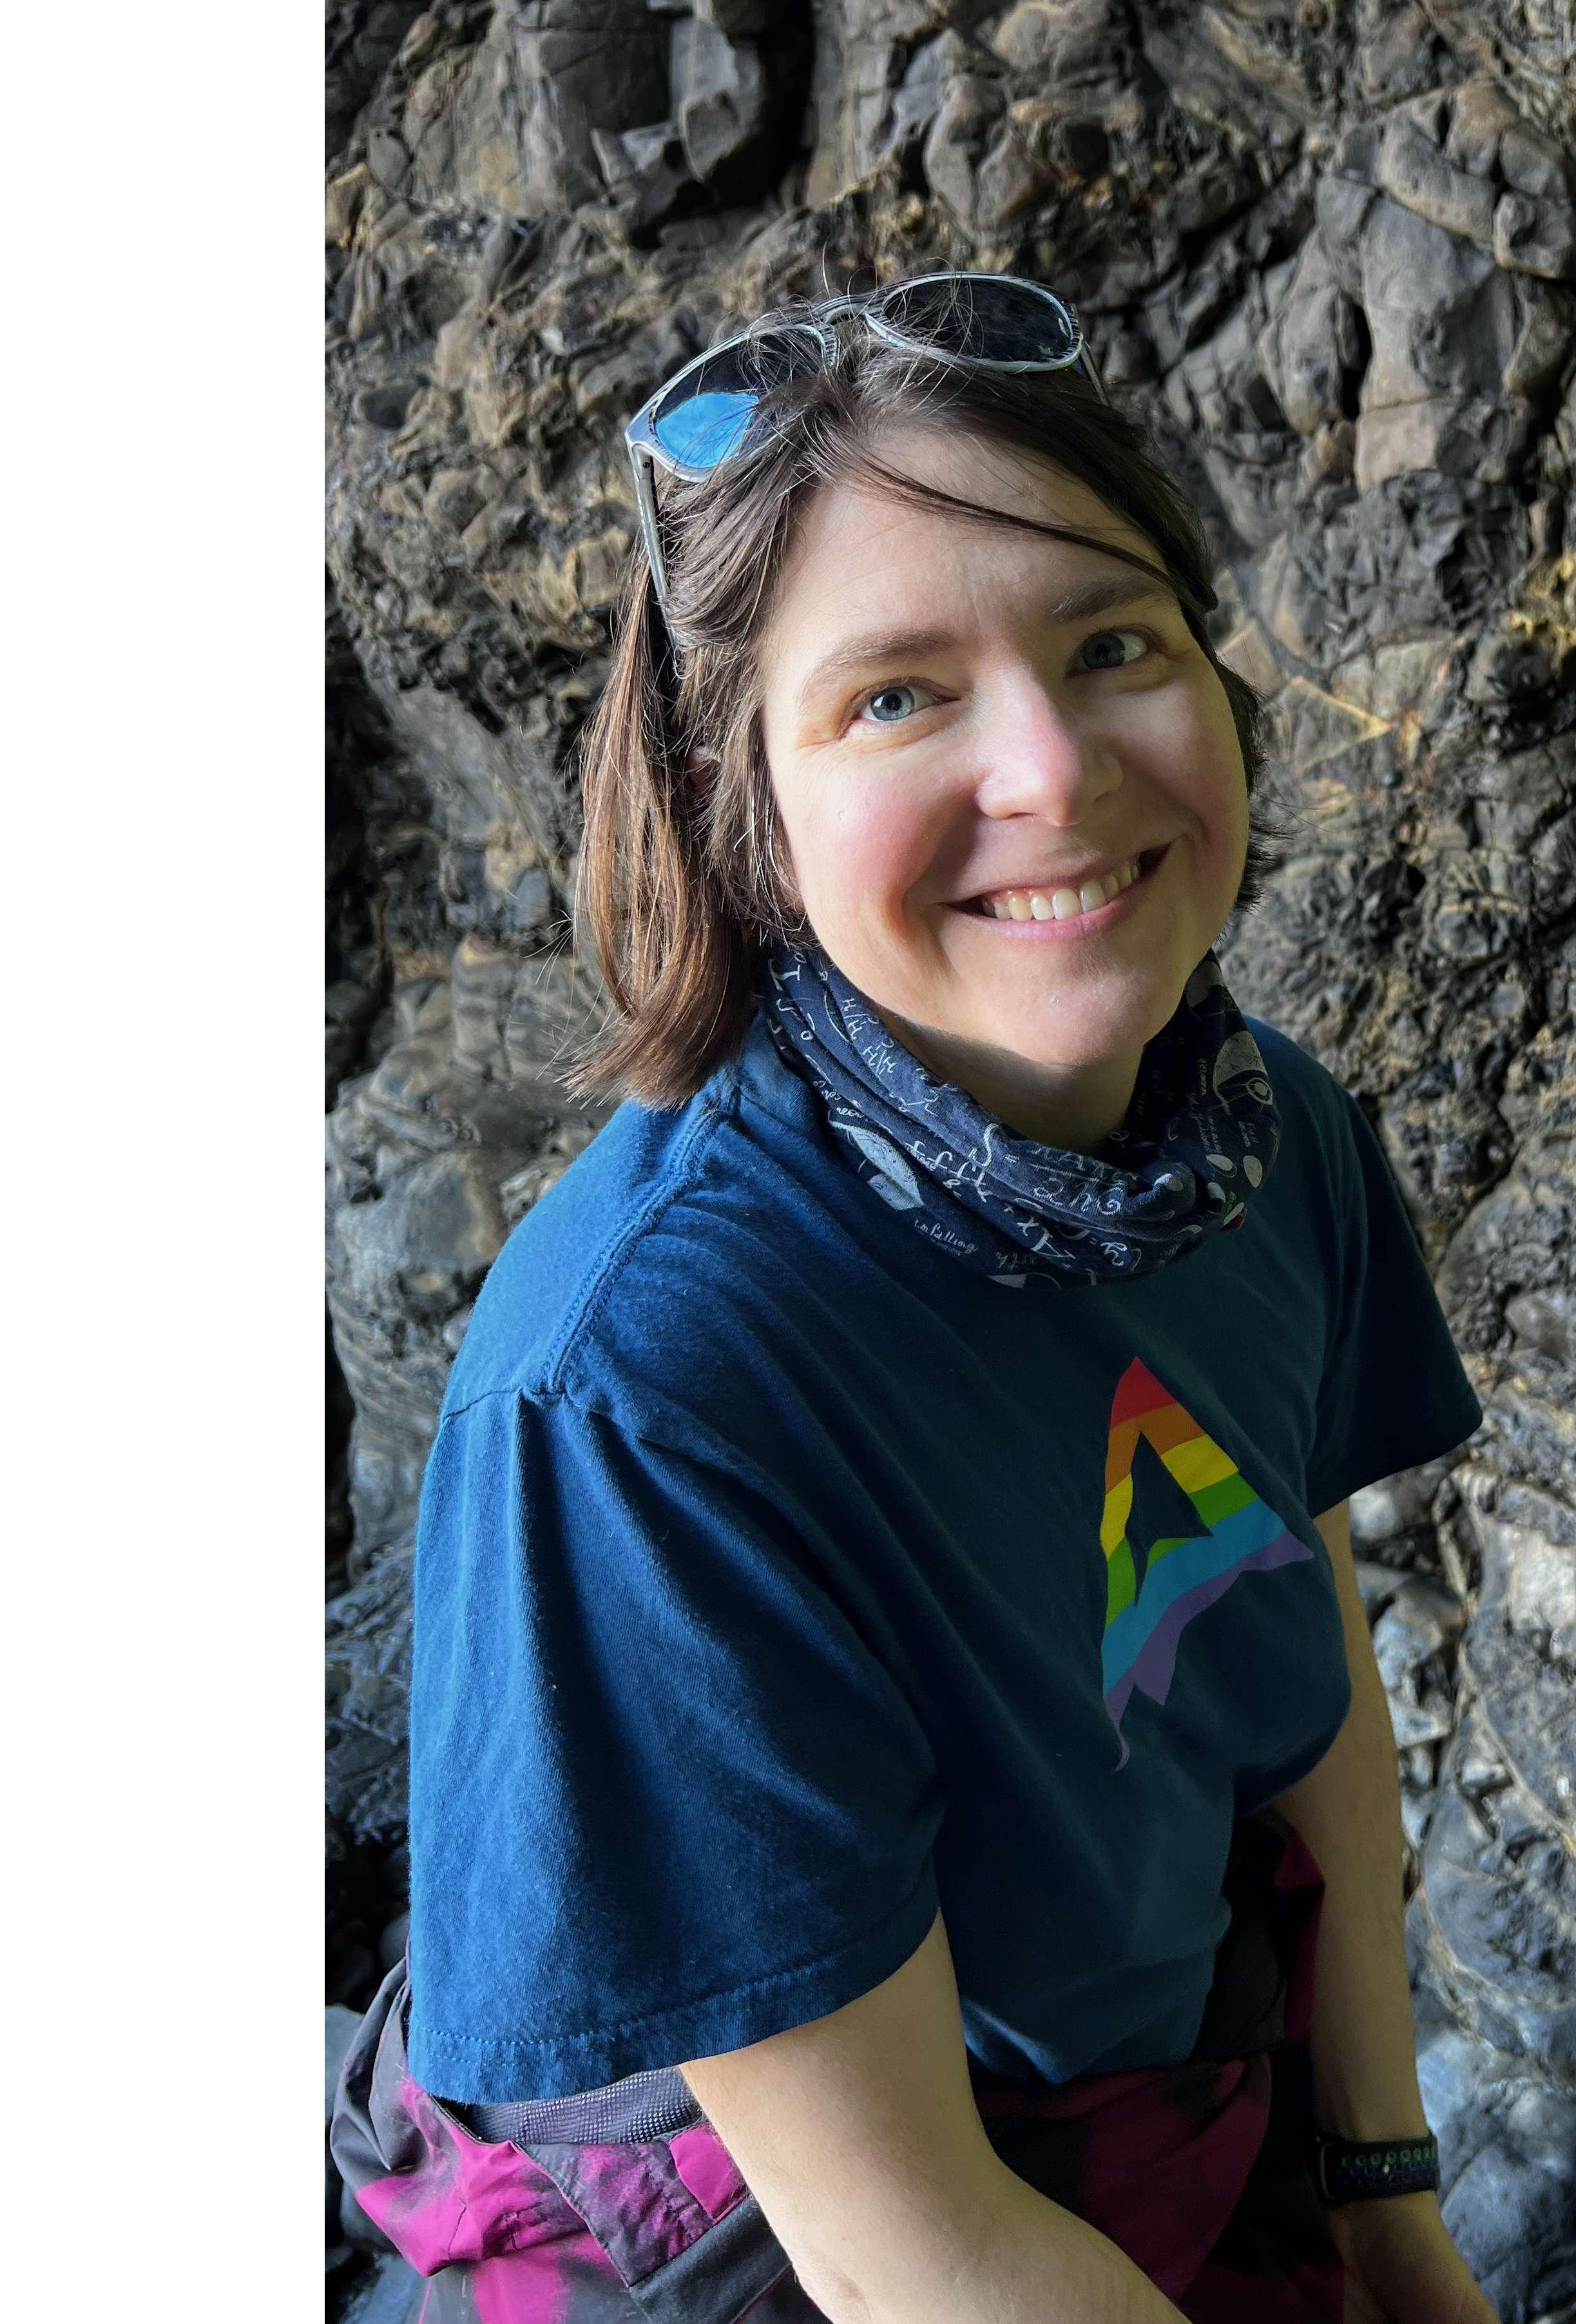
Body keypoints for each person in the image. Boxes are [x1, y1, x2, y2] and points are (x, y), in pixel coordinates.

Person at [330, 274, 1501, 2324]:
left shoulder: (1254, 1145)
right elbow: (910, 2260)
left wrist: (1392, 2209)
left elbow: (1292, 1674)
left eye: (1111, 643)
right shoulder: (644, 1392)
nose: (1051, 768)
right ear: (745, 807)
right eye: (895, 696)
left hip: (1130, 2123)